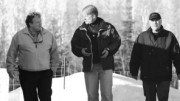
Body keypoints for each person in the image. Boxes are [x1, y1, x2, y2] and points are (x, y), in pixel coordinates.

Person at [71, 5, 121, 101]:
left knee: (107, 96)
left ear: (93, 16)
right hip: (90, 67)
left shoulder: (108, 27)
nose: (83, 18)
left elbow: (116, 41)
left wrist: (108, 50)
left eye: (85, 16)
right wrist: (81, 51)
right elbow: (74, 45)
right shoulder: (80, 30)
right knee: (92, 96)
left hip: (106, 66)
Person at [6, 12, 59, 101]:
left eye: (40, 21)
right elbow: (11, 54)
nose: (40, 24)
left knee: (46, 98)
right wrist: (10, 69)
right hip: (26, 74)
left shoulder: (49, 35)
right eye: (37, 22)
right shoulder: (19, 36)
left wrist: (52, 70)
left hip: (45, 74)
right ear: (30, 24)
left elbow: (54, 54)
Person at [130, 12, 180, 101]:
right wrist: (134, 72)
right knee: (149, 99)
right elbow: (135, 56)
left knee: (163, 99)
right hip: (147, 75)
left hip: (164, 75)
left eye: (157, 20)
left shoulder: (169, 36)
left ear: (161, 21)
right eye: (152, 20)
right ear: (149, 22)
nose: (155, 22)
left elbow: (177, 56)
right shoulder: (142, 37)